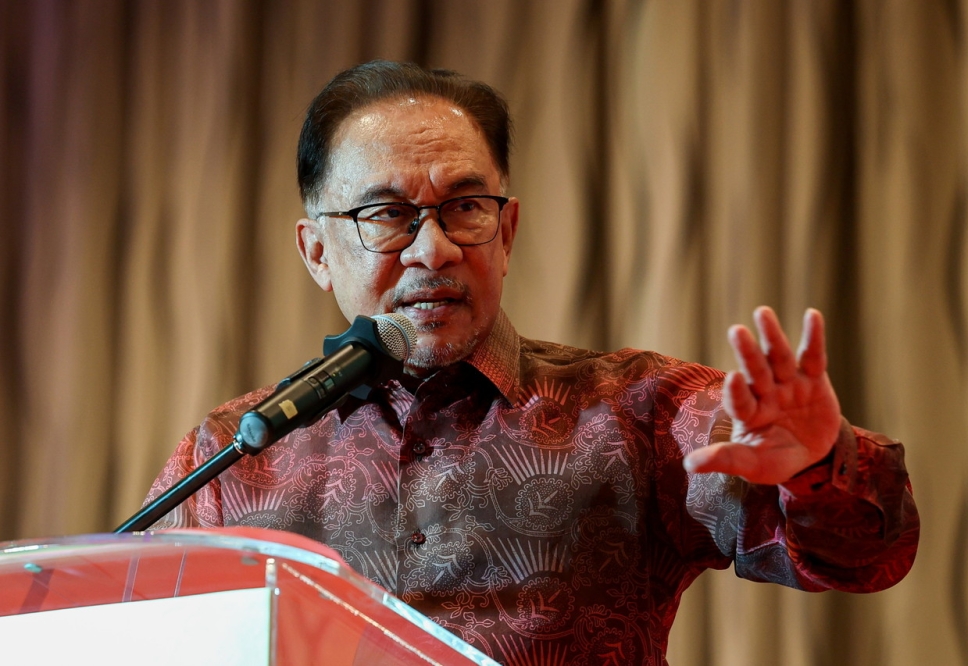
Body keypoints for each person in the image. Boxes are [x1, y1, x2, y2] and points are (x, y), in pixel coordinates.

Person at [147, 60, 919, 665]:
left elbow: (869, 558)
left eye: (465, 207)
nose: (434, 248)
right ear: (317, 251)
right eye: (387, 215)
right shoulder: (231, 456)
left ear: (506, 232)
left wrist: (817, 465)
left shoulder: (639, 411)